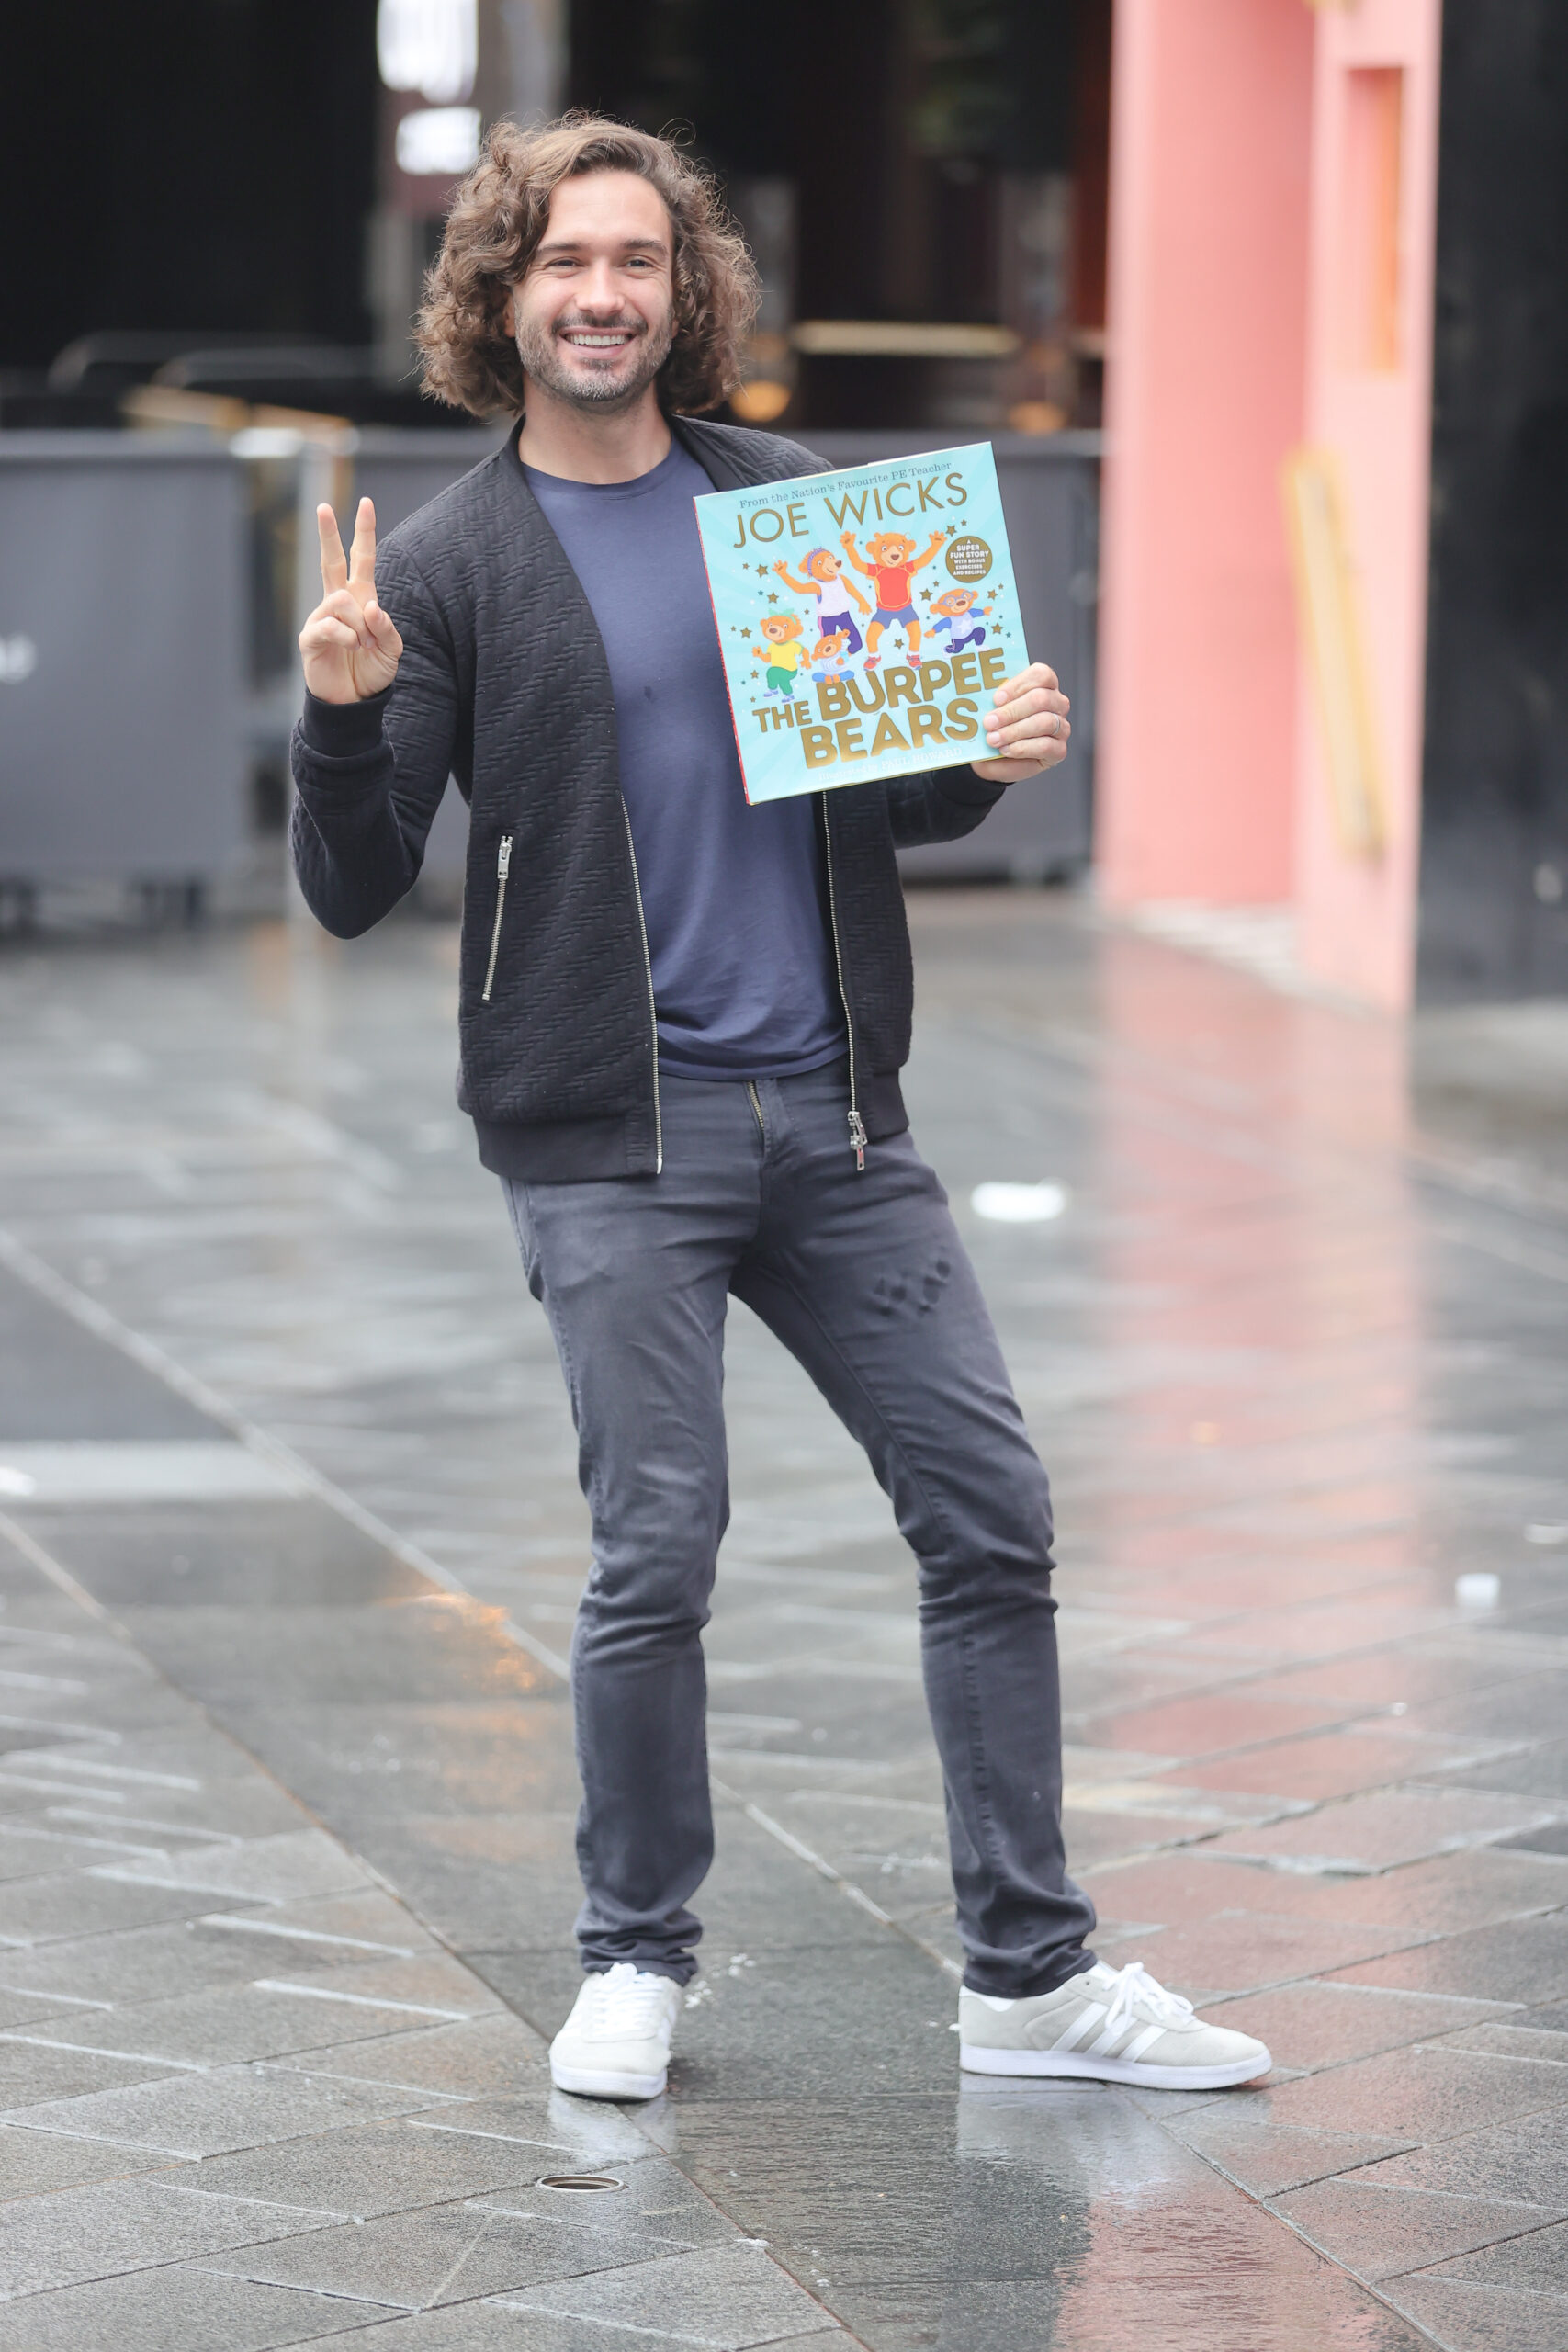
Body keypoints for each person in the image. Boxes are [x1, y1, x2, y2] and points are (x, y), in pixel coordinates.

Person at [292, 115, 1270, 2105]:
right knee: (655, 1548)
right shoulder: (457, 564)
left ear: (683, 290)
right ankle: (633, 1953)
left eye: (635, 262)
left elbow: (892, 792)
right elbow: (352, 880)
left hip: (832, 1116)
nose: (599, 294)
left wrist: (986, 752)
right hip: (607, 1137)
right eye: (563, 262)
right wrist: (338, 709)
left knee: (988, 1513)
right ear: (502, 294)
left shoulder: (787, 507)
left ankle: (1028, 1974)